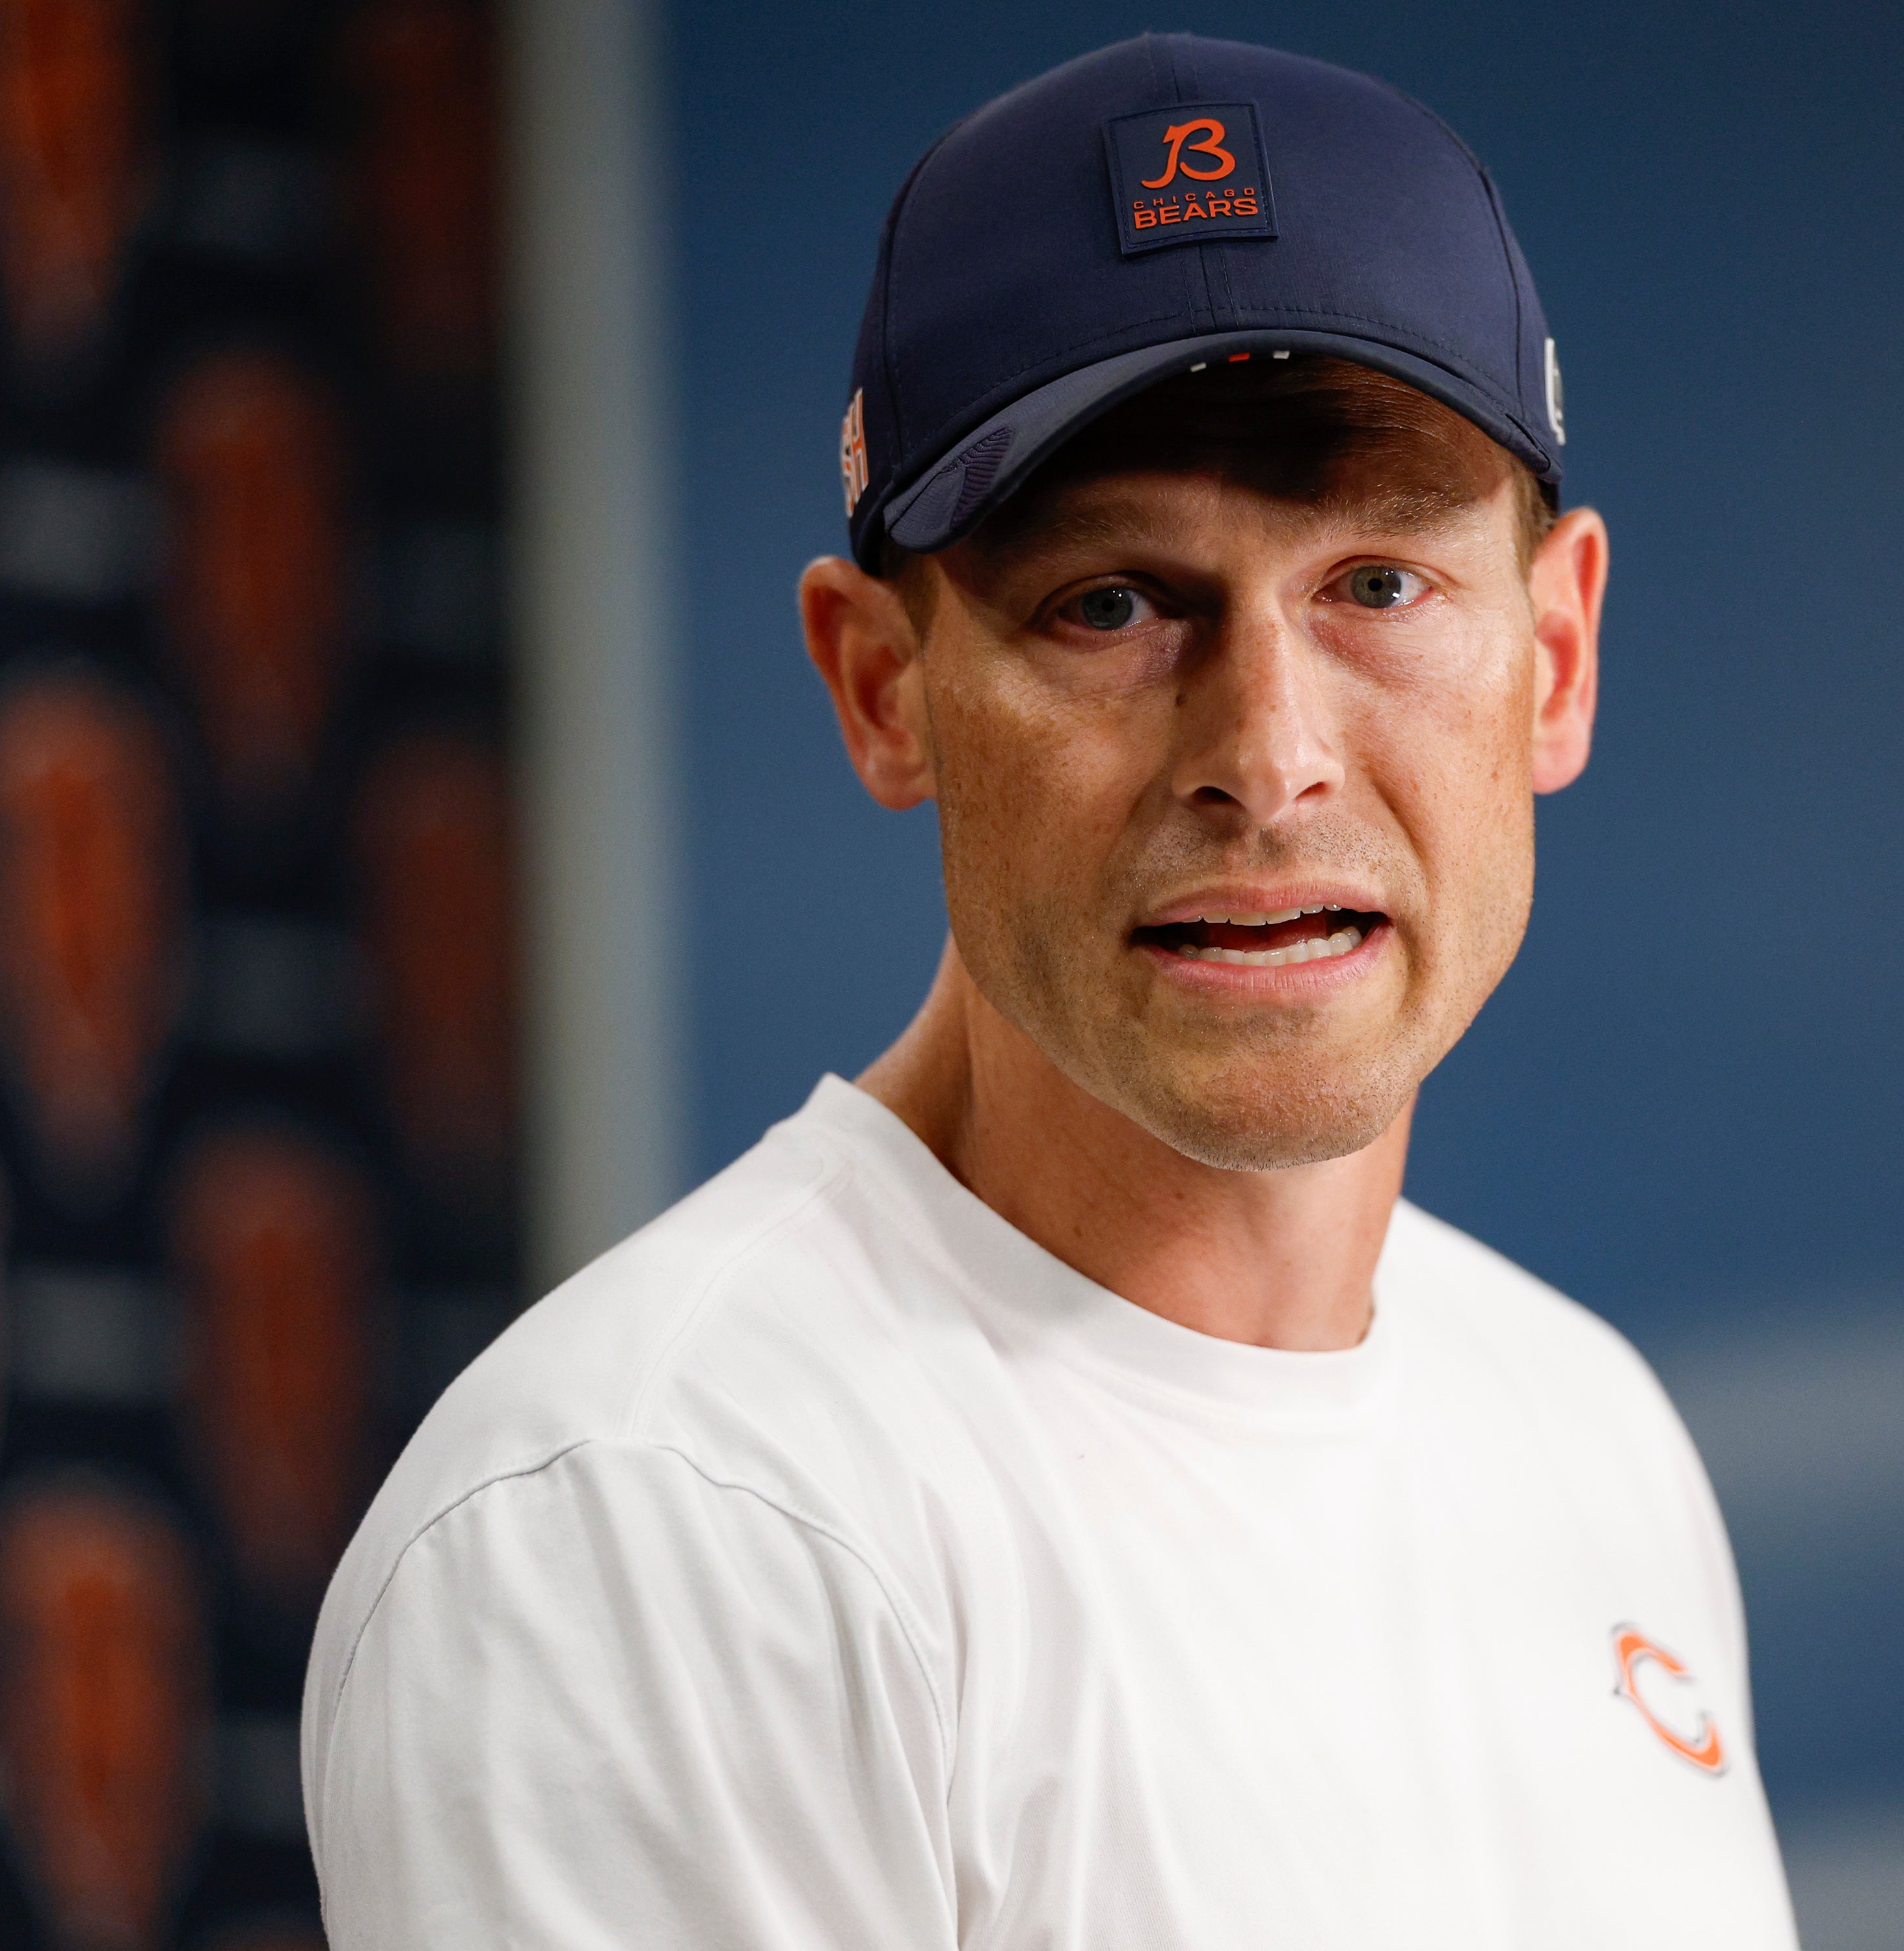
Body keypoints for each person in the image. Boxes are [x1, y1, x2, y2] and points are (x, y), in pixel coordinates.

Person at [305, 33, 1798, 1949]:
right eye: (1113, 603)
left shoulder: (1582, 1434)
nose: (1269, 759)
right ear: (883, 690)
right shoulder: (650, 1526)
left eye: (1377, 587)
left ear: (1558, 659)